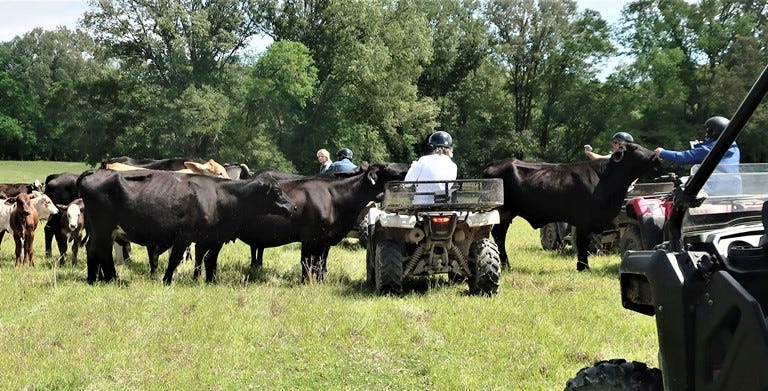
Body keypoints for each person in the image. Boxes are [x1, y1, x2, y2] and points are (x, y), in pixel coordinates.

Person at [654, 116, 741, 195]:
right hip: (734, 188)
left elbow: (682, 157)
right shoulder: (733, 146)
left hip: (714, 188)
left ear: (714, 132)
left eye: (708, 130)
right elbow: (709, 150)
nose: (706, 133)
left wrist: (662, 152)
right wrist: (700, 145)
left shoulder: (712, 148)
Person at [405, 130, 458, 203]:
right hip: (443, 205)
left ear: (431, 147)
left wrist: (413, 166)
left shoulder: (423, 160)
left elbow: (407, 184)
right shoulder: (453, 165)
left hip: (421, 205)